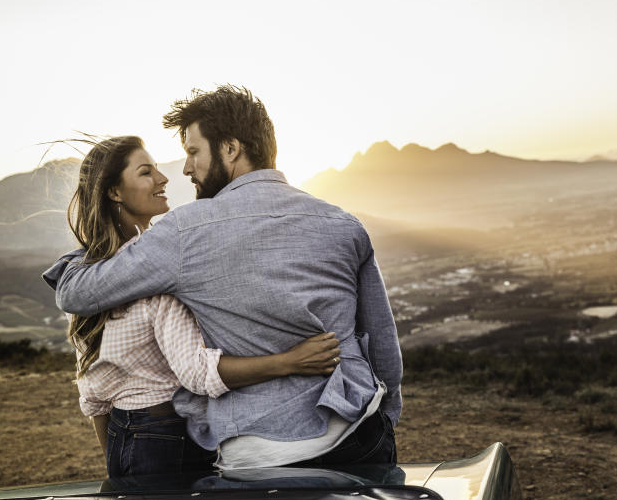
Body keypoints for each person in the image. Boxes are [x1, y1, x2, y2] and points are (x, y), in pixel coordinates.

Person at [47, 86, 402, 469]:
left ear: (231, 149)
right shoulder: (344, 224)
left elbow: (76, 294)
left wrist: (85, 251)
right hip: (361, 432)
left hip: (260, 452)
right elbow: (383, 345)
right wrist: (387, 416)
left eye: (193, 152)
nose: (185, 168)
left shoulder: (184, 231)